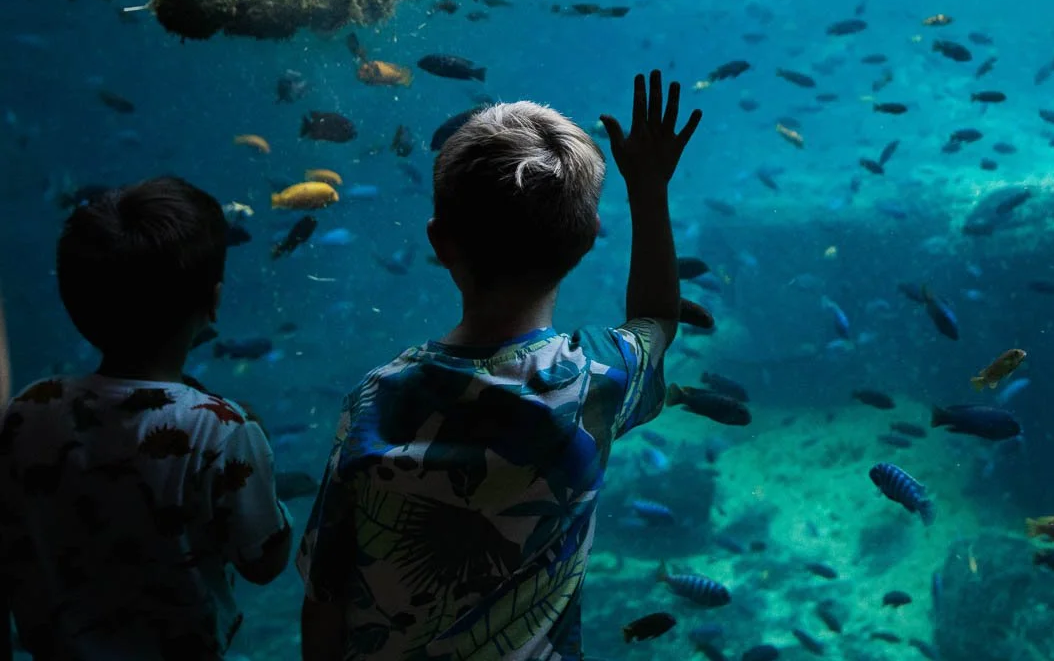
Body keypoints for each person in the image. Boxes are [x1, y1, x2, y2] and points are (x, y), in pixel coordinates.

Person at [297, 70, 701, 661]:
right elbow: (658, 319)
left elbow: (324, 594)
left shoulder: (375, 399)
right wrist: (648, 189)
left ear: (439, 243)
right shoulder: (595, 380)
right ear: (589, 238)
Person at [0, 176, 293, 660]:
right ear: (213, 301)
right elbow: (263, 560)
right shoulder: (220, 427)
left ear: (73, 302)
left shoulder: (31, 409)